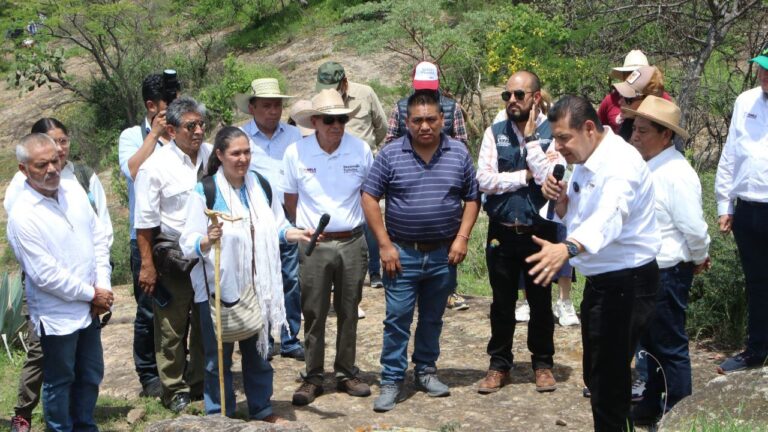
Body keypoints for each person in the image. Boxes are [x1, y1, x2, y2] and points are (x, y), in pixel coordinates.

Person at [526, 95, 661, 431]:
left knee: (609, 382)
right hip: (602, 282)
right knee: (598, 377)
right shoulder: (585, 159)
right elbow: (577, 214)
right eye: (555, 138)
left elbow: (610, 216)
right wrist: (560, 200)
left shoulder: (620, 164)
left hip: (628, 284)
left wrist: (566, 249)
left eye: (563, 138)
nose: (558, 147)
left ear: (589, 128)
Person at [180, 126, 311, 423]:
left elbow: (277, 226)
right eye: (235, 153)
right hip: (218, 291)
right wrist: (206, 239)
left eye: (247, 152)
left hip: (258, 288)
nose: (243, 159)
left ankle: (261, 408)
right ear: (220, 155)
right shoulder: (206, 191)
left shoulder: (260, 185)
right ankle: (219, 415)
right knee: (218, 359)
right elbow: (187, 242)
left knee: (258, 355)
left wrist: (294, 233)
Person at [362, 90, 480, 412]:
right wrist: (384, 245)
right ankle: (391, 379)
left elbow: (472, 197)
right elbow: (370, 197)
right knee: (397, 319)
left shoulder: (458, 153)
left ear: (443, 120)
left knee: (432, 319)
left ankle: (426, 371)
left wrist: (463, 237)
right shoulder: (390, 155)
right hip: (402, 254)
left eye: (431, 119)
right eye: (417, 120)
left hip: (444, 255)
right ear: (406, 122)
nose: (424, 126)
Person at [6, 118, 113, 432]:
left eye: (55, 160)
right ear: (24, 169)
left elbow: (98, 239)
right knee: (60, 380)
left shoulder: (72, 190)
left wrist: (102, 287)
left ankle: (85, 425)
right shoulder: (23, 214)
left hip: (91, 305)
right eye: (42, 165)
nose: (52, 169)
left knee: (91, 373)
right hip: (57, 315)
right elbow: (44, 275)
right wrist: (92, 293)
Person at [622, 96, 711, 425]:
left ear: (666, 136)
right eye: (634, 129)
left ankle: (679, 414)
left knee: (669, 344)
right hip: (644, 271)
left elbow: (694, 228)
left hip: (668, 271)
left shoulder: (677, 173)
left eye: (643, 131)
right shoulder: (646, 167)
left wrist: (700, 257)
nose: (635, 136)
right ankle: (650, 403)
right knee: (648, 343)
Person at [283, 89, 373, 406]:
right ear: (316, 121)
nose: (337, 125)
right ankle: (313, 376)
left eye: (342, 119)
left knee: (349, 310)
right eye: (330, 119)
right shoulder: (297, 153)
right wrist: (303, 231)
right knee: (314, 311)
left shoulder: (360, 149)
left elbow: (368, 194)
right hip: (316, 243)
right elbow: (289, 201)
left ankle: (346, 372)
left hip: (352, 239)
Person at [476, 71, 564, 394]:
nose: (511, 101)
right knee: (501, 302)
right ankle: (499, 365)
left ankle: (543, 363)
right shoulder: (494, 132)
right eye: (507, 95)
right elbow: (483, 180)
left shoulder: (553, 132)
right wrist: (521, 176)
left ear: (536, 97)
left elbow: (548, 180)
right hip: (501, 231)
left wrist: (529, 144)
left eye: (519, 95)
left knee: (540, 301)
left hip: (538, 231)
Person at [134, 96, 210, 412]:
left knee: (206, 323)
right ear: (172, 129)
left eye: (202, 124)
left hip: (208, 255)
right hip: (173, 258)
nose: (198, 131)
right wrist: (147, 265)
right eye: (190, 125)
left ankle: (198, 383)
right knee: (171, 327)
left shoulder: (211, 157)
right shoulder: (155, 167)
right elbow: (144, 224)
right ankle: (173, 388)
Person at [382, 61, 470, 311]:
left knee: (447, 243)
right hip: (408, 174)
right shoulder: (401, 108)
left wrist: (440, 148)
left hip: (444, 173)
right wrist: (411, 150)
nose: (427, 93)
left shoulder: (452, 108)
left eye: (430, 89)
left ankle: (448, 291)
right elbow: (388, 141)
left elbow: (462, 142)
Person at [234, 78, 305, 361]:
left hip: (287, 217)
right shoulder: (240, 138)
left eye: (277, 105)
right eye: (266, 105)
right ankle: (260, 337)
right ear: (252, 107)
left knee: (291, 278)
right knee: (256, 279)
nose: (273, 111)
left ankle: (289, 337)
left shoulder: (295, 136)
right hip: (253, 220)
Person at [117, 73, 176, 398]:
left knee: (181, 307)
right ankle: (148, 375)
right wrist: (155, 133)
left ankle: (175, 368)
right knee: (148, 308)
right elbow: (133, 170)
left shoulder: (178, 133)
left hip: (176, 236)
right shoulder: (132, 135)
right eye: (169, 105)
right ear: (151, 106)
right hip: (145, 238)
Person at [715, 47, 768, 374]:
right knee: (757, 282)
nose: (763, 74)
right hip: (748, 206)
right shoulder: (745, 101)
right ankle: (757, 350)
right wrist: (725, 202)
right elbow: (731, 153)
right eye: (761, 68)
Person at [315, 61, 388, 299]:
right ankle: (338, 273)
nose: (330, 92)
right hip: (333, 169)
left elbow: (382, 126)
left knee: (370, 218)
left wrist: (369, 149)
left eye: (335, 87)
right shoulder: (320, 99)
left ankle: (375, 272)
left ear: (345, 82)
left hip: (364, 164)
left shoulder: (365, 93)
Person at [597, 49, 649, 133]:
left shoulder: (658, 99)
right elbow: (598, 132)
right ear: (623, 76)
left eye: (638, 73)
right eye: (629, 73)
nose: (633, 77)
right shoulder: (610, 100)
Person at [611, 65, 666, 141]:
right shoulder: (627, 125)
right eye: (621, 96)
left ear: (646, 100)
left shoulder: (654, 137)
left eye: (628, 98)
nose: (620, 102)